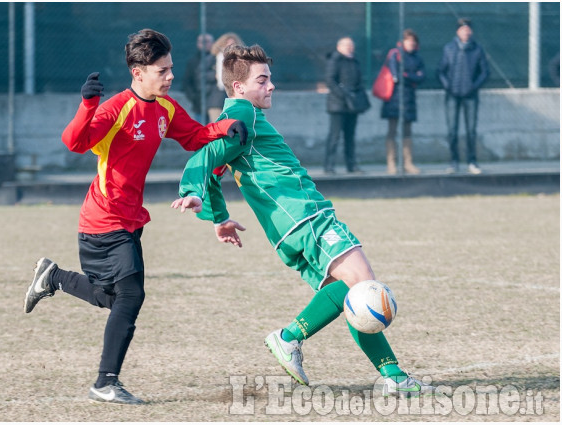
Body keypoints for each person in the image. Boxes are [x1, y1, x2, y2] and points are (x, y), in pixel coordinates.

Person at [170, 44, 434, 397]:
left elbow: (215, 166)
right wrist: (194, 190)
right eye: (262, 80)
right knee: (363, 287)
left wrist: (218, 217)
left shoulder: (239, 120)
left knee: (347, 295)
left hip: (287, 229)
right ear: (239, 88)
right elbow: (207, 156)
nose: (271, 86)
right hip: (305, 216)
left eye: (270, 79)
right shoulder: (242, 115)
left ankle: (395, 377)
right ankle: (290, 337)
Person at [23, 29, 247, 405]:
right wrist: (87, 105)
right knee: (130, 295)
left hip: (129, 221)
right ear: (138, 71)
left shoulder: (165, 109)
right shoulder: (115, 108)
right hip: (103, 219)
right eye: (163, 70)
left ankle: (53, 277)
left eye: (171, 68)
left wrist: (226, 128)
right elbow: (74, 142)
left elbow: (194, 136)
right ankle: (105, 382)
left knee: (112, 298)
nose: (170, 76)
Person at [437, 18, 489, 174]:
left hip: (470, 96)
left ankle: (472, 161)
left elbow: (485, 72)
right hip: (452, 96)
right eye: (462, 29)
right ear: (457, 32)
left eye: (468, 29)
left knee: (471, 130)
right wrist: (449, 86)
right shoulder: (449, 49)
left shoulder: (477, 50)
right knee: (452, 130)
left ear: (471, 32)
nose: (466, 32)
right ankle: (453, 162)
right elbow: (441, 71)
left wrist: (473, 87)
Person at [380, 29, 425, 175]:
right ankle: (391, 163)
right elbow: (397, 76)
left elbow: (421, 77)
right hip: (393, 98)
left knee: (407, 131)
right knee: (392, 130)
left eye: (413, 41)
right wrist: (411, 76)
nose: (411, 43)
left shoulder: (417, 58)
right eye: (408, 40)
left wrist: (408, 75)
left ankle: (408, 163)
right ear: (403, 42)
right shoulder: (395, 54)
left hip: (409, 98)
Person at [324, 36, 366, 174]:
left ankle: (351, 165)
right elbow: (330, 80)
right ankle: (329, 166)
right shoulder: (335, 60)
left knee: (350, 137)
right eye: (347, 45)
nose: (350, 48)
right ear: (339, 47)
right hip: (338, 105)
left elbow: (359, 81)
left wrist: (356, 95)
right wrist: (343, 95)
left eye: (351, 45)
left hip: (352, 105)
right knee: (334, 136)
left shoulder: (355, 61)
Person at [207, 32, 245, 123]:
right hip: (216, 99)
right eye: (227, 43)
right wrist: (215, 75)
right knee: (217, 126)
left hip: (235, 99)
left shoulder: (242, 61)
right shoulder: (212, 58)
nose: (229, 46)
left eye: (233, 44)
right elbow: (201, 75)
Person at [182, 32, 214, 123]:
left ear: (212, 43)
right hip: (198, 103)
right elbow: (187, 81)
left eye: (207, 41)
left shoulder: (217, 59)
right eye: (201, 42)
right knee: (201, 129)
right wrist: (193, 97)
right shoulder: (193, 62)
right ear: (198, 44)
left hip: (215, 101)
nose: (204, 44)